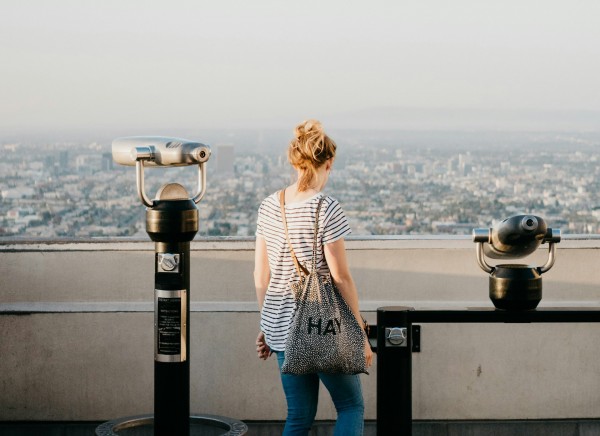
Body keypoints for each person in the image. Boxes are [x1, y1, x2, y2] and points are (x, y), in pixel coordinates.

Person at [254, 119, 373, 436]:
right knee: (350, 406)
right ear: (328, 163)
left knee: (298, 416)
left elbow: (260, 276)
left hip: (281, 326)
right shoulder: (326, 207)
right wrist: (359, 332)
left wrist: (266, 326)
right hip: (323, 327)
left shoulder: (269, 205)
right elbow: (341, 277)